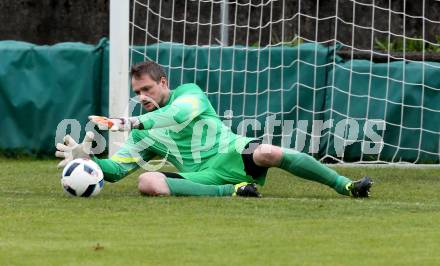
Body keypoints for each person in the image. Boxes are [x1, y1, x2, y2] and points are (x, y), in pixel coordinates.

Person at [56, 61, 372, 198]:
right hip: (202, 176)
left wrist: (132, 121)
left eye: (147, 89)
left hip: (231, 152)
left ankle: (346, 186)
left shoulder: (189, 94)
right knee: (147, 181)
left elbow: (177, 115)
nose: (142, 97)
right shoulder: (143, 136)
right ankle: (232, 192)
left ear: (163, 83)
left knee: (268, 151)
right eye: (137, 92)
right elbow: (115, 171)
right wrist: (88, 159)